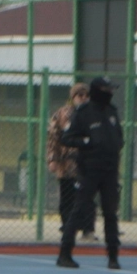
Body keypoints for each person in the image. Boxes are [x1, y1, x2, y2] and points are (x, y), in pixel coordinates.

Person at [56, 76, 124, 270]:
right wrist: (87, 143)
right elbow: (67, 138)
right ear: (97, 91)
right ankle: (65, 253)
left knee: (110, 213)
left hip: (110, 170)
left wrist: (114, 146)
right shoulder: (84, 113)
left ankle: (113, 256)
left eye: (111, 90)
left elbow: (119, 137)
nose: (109, 93)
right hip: (89, 170)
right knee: (79, 209)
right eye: (106, 90)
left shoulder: (111, 112)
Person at [47, 83, 93, 241]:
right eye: (80, 95)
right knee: (67, 198)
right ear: (73, 97)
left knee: (87, 198)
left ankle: (87, 229)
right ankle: (67, 228)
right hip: (66, 164)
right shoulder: (62, 114)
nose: (84, 98)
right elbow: (53, 138)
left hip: (87, 164)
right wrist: (53, 159)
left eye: (87, 96)